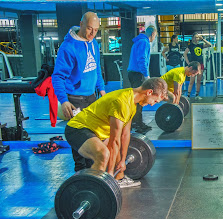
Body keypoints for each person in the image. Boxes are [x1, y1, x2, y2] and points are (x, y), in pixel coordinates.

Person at [65, 78, 168, 188]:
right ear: (149, 92)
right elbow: (114, 140)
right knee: (103, 154)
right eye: (155, 101)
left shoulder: (132, 102)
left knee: (116, 154)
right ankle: (92, 192)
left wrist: (123, 160)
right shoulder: (122, 102)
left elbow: (125, 134)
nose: (153, 104)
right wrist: (109, 174)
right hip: (78, 128)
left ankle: (119, 178)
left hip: (97, 133)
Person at [52, 11, 106, 172]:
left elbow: (96, 69)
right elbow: (57, 77)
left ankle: (92, 169)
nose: (92, 33)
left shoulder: (93, 43)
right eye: (89, 28)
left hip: (91, 97)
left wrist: (102, 90)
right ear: (81, 24)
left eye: (96, 30)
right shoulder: (68, 47)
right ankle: (80, 173)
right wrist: (64, 100)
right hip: (74, 98)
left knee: (93, 133)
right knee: (79, 135)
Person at [128, 25, 157, 133]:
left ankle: (136, 122)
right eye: (155, 36)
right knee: (139, 99)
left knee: (138, 98)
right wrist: (146, 76)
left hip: (133, 73)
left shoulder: (139, 41)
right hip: (138, 74)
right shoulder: (144, 42)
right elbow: (142, 60)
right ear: (153, 34)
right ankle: (137, 124)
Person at [183, 32, 212, 100]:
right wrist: (188, 63)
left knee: (199, 80)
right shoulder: (190, 46)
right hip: (193, 65)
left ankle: (197, 95)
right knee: (192, 81)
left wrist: (203, 39)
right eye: (196, 37)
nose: (197, 38)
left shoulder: (200, 45)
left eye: (198, 37)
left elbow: (209, 45)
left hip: (200, 64)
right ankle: (188, 95)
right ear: (193, 38)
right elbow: (185, 54)